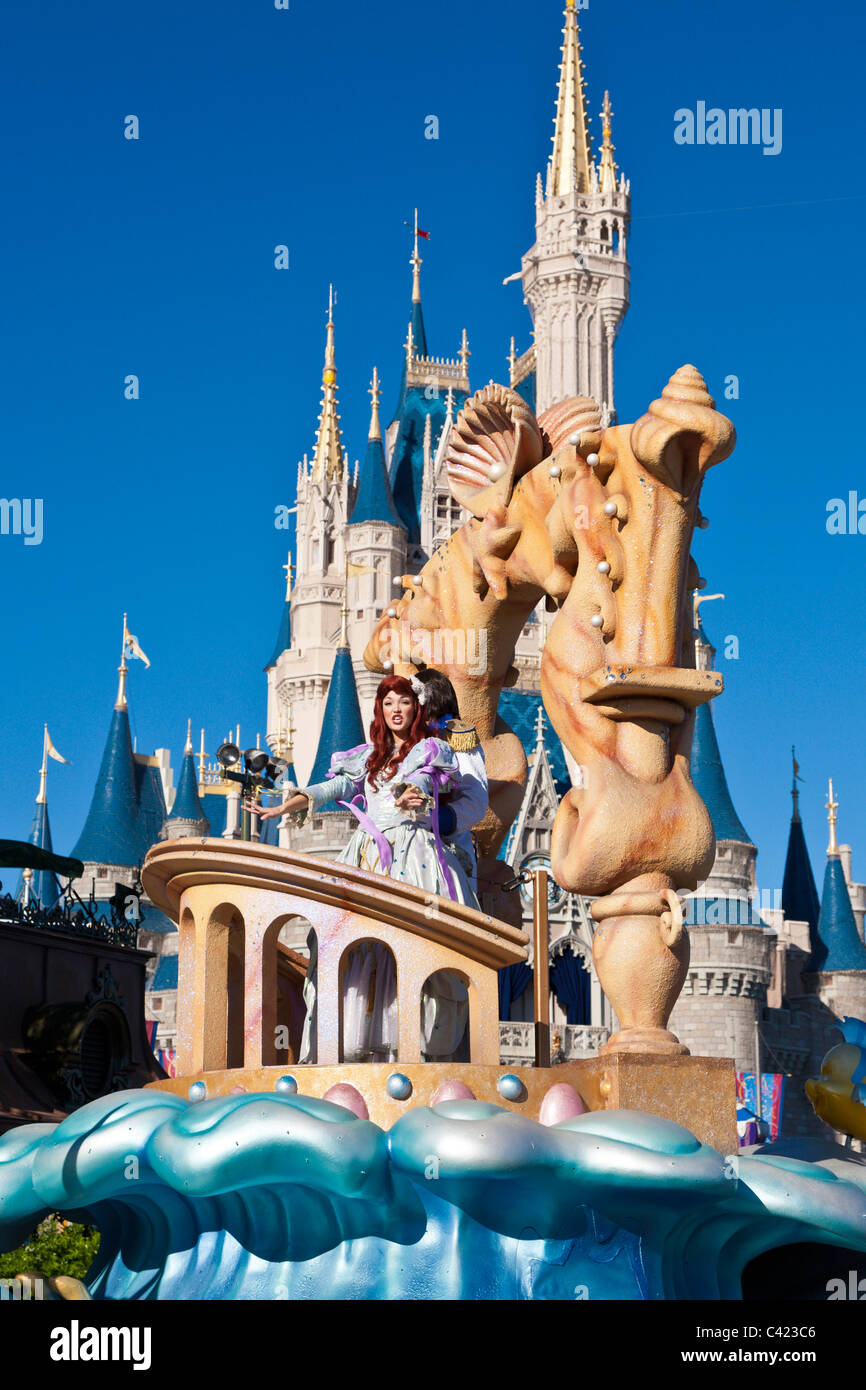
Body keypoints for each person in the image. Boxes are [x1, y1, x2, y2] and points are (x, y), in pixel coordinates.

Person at [253, 676, 480, 1064]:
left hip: (413, 853)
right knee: (350, 946)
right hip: (368, 857)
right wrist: (285, 806)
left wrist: (414, 796)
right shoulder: (367, 758)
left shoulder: (431, 750)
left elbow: (422, 781)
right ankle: (357, 1044)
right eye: (388, 702)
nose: (396, 709)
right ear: (380, 709)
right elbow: (334, 788)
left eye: (403, 702)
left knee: (413, 941)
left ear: (416, 708)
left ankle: (413, 1042)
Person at [414, 669, 488, 893]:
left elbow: (475, 800)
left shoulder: (458, 737)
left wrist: (435, 820)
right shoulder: (404, 740)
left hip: (447, 850)